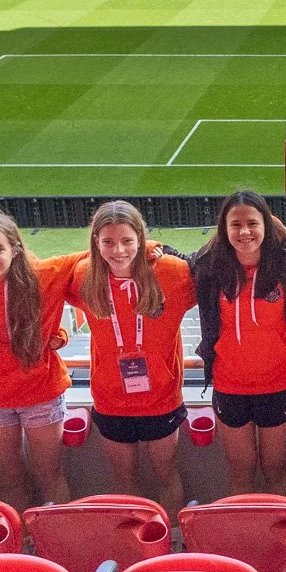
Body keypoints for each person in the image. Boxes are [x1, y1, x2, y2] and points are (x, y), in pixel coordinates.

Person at [59, 201, 196, 519]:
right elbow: (40, 276)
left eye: (127, 241)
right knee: (125, 481)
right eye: (108, 242)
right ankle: (135, 541)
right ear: (95, 242)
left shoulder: (171, 273)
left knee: (167, 476)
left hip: (161, 399)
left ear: (141, 238)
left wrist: (157, 248)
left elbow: (217, 270)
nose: (118, 250)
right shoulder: (84, 277)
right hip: (110, 401)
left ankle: (173, 542)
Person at [194, 190, 286, 496]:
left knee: (276, 470)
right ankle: (245, 537)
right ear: (224, 228)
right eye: (235, 224)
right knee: (240, 471)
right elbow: (173, 258)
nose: (244, 231)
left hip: (277, 385)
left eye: (253, 222)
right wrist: (154, 247)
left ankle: (277, 537)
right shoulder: (210, 268)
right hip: (229, 386)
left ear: (266, 224)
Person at [0, 209, 79, 512]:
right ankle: (22, 545)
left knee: (49, 476)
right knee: (10, 479)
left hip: (41, 395)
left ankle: (59, 544)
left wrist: (145, 246)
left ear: (15, 248)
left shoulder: (45, 274)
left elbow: (99, 249)